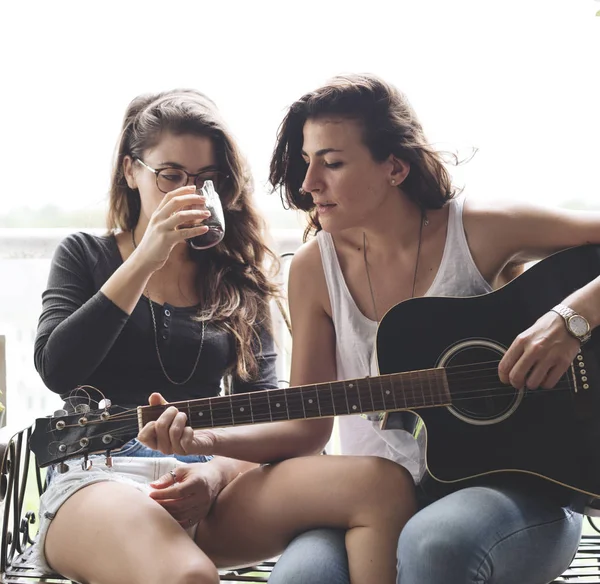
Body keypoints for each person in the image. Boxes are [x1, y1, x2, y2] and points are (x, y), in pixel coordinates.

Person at [31, 88, 416, 584]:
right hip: (97, 480)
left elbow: (272, 410)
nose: (188, 192)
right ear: (131, 171)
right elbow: (57, 369)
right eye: (170, 176)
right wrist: (147, 257)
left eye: (205, 179)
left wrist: (213, 475)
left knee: (382, 484)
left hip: (208, 481)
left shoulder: (234, 278)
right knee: (188, 577)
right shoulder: (85, 255)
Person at [265, 73, 599, 584]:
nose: (309, 182)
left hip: (523, 486)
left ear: (394, 167)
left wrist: (569, 320)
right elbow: (307, 425)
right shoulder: (314, 267)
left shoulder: (481, 229)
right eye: (307, 161)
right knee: (300, 579)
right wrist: (203, 439)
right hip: (370, 499)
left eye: (331, 162)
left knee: (436, 544)